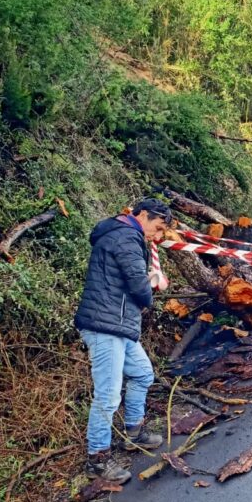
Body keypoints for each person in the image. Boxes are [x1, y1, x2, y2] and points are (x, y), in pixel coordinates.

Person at [74, 198, 172, 484]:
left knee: (142, 373)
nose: (158, 235)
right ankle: (97, 459)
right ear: (143, 215)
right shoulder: (127, 237)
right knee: (107, 394)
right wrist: (153, 283)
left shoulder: (123, 234)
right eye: (158, 227)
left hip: (117, 325)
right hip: (105, 326)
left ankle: (133, 433)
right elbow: (138, 284)